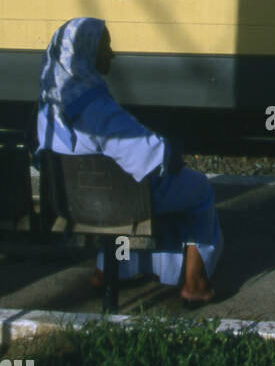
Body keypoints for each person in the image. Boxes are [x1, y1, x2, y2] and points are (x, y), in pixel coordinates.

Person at [36, 17, 222, 304]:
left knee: (112, 189)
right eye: (105, 47)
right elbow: (156, 157)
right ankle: (194, 284)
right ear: (86, 54)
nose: (112, 54)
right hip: (114, 204)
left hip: (70, 203)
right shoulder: (98, 110)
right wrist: (172, 151)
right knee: (198, 190)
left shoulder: (49, 108)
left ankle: (105, 270)